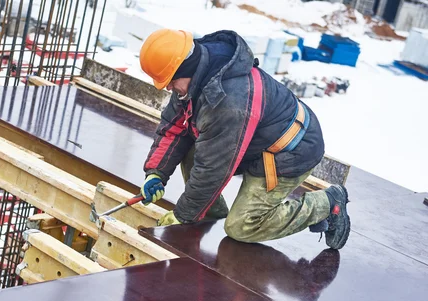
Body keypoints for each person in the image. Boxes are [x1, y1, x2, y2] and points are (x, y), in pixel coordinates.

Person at [138, 29, 351, 249]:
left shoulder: (228, 101)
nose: (168, 87)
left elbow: (212, 168)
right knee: (191, 151)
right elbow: (174, 127)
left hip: (290, 150)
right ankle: (211, 216)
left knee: (241, 226)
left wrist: (183, 215)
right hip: (255, 140)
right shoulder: (192, 78)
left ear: (185, 67)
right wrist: (156, 173)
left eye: (170, 81)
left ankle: (327, 203)